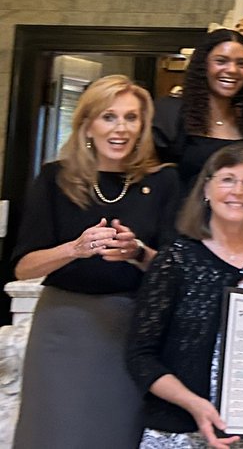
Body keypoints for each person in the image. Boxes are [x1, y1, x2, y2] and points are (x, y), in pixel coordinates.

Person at [13, 74, 180, 449]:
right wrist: (74, 249)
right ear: (87, 123)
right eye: (109, 117)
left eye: (131, 118)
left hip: (128, 331)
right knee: (53, 433)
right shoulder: (55, 179)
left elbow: (174, 269)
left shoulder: (164, 182)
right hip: (62, 329)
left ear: (142, 126)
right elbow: (24, 267)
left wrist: (136, 252)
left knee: (114, 434)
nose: (121, 128)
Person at [127, 143, 243, 447]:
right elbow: (141, 357)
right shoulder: (175, 260)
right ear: (206, 189)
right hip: (179, 431)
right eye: (227, 179)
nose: (238, 191)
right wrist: (194, 403)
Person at [153, 28, 243, 190]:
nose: (232, 70)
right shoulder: (169, 114)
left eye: (241, 63)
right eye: (221, 61)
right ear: (203, 65)